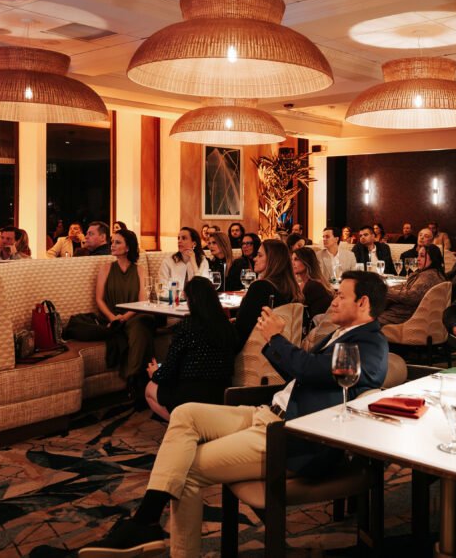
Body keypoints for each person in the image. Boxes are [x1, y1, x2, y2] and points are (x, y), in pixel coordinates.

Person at [79, 271, 390, 557]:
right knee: (186, 413)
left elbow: (310, 370)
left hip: (289, 435)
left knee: (185, 469)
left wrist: (276, 339)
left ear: (363, 303)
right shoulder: (343, 335)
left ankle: (155, 531)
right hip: (267, 413)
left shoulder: (371, 346)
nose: (333, 301)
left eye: (341, 296)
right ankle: (146, 522)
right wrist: (276, 344)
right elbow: (305, 377)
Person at [144, 277, 238, 421]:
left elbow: (169, 369)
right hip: (220, 396)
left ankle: (185, 424)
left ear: (191, 301)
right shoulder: (227, 326)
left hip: (190, 397)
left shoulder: (187, 327)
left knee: (150, 389)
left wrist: (155, 373)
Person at [93, 229, 157, 380]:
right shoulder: (106, 269)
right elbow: (99, 299)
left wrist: (124, 317)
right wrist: (113, 318)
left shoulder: (139, 270)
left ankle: (132, 377)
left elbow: (142, 301)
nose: (112, 245)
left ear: (128, 247)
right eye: (112, 242)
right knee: (143, 330)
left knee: (141, 325)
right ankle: (140, 379)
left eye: (117, 242)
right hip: (111, 317)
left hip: (133, 315)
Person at [233, 239, 301, 350]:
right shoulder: (292, 288)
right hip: (280, 350)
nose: (255, 259)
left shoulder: (260, 287)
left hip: (254, 352)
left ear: (272, 260)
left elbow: (241, 330)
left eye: (260, 255)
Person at [379, 244, 446, 326]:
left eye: (422, 256)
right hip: (406, 313)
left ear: (433, 258)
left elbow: (411, 296)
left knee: (368, 320)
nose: (418, 259)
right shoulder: (434, 273)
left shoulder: (429, 276)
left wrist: (387, 291)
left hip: (405, 316)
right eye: (418, 255)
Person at [292, 246, 333, 317]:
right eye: (291, 259)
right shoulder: (304, 283)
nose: (292, 263)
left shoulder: (314, 286)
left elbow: (305, 315)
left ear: (307, 261)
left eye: (296, 259)